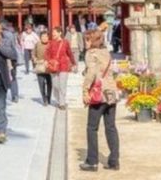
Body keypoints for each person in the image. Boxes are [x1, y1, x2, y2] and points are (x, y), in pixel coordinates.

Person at [79, 27, 120, 172]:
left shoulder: (91, 54)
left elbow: (91, 74)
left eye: (87, 39)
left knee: (92, 128)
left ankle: (92, 161)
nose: (85, 43)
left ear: (92, 40)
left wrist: (85, 91)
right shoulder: (106, 52)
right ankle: (114, 160)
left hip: (99, 94)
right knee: (111, 127)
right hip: (111, 93)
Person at [47, 26, 76, 110]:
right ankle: (59, 99)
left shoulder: (65, 42)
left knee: (62, 85)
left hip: (64, 66)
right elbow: (47, 53)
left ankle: (62, 103)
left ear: (60, 33)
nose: (53, 34)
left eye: (54, 32)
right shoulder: (51, 43)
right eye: (52, 33)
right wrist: (47, 60)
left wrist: (73, 63)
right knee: (55, 85)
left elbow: (69, 53)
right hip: (53, 66)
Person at [2, 22, 21, 102]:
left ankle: (3, 94)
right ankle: (15, 95)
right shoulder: (11, 34)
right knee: (13, 77)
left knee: (4, 77)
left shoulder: (3, 35)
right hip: (12, 57)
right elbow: (14, 46)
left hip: (4, 57)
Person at [33, 31, 52, 105]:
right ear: (40, 37)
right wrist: (35, 59)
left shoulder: (51, 44)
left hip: (49, 66)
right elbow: (33, 54)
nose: (44, 38)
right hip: (40, 66)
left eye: (46, 36)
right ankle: (44, 99)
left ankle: (48, 97)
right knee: (41, 84)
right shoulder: (37, 44)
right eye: (43, 36)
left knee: (50, 84)